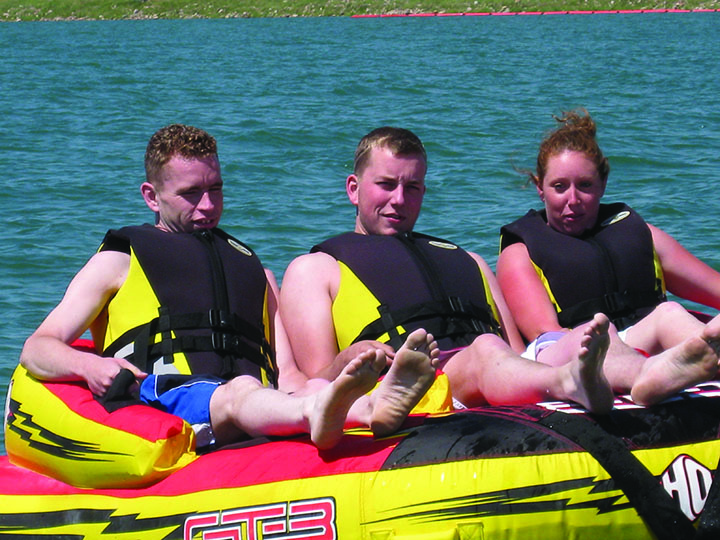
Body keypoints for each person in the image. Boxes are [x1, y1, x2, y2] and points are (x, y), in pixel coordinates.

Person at [19, 123, 439, 451]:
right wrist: (91, 367)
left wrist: (332, 376)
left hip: (251, 405)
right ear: (151, 196)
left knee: (307, 388)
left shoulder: (253, 270)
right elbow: (38, 348)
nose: (208, 206)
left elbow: (289, 374)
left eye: (215, 189)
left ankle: (370, 406)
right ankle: (317, 414)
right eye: (190, 194)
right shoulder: (120, 261)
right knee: (239, 392)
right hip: (165, 402)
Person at [280, 126, 615, 414]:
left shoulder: (470, 261)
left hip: (493, 377)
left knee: (593, 333)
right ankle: (566, 381)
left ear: (423, 192)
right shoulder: (315, 270)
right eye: (386, 184)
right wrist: (349, 359)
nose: (399, 199)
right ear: (353, 189)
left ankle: (639, 375)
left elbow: (517, 353)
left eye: (412, 187)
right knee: (485, 349)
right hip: (410, 388)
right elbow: (314, 384)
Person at [497, 109, 720, 405]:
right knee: (601, 333)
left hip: (639, 339)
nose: (573, 200)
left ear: (602, 184)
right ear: (540, 188)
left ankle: (708, 358)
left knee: (670, 313)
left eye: (585, 185)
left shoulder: (640, 233)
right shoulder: (520, 252)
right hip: (573, 353)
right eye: (559, 187)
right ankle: (646, 376)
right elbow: (548, 334)